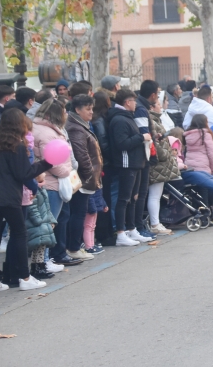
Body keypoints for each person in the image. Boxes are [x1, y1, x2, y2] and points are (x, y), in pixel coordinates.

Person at [0, 109, 53, 293]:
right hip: (9, 196)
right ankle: (25, 278)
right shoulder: (17, 145)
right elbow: (23, 174)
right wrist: (46, 163)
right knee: (19, 233)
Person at [32, 100, 81, 268]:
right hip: (51, 183)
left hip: (51, 181)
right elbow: (51, 161)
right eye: (63, 112)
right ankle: (44, 260)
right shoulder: (46, 133)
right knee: (48, 224)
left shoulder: (46, 129)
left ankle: (46, 259)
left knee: (50, 222)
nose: (66, 115)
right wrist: (66, 171)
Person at [107, 89, 153, 246]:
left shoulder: (127, 117)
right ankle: (121, 233)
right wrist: (141, 137)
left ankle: (132, 229)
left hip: (135, 162)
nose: (136, 104)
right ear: (127, 102)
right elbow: (121, 144)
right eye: (134, 101)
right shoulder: (120, 120)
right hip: (126, 164)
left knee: (133, 198)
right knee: (124, 198)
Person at [65, 95, 103, 260]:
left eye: (92, 108)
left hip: (84, 178)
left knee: (79, 212)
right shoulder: (75, 128)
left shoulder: (81, 125)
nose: (91, 112)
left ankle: (75, 246)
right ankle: (73, 247)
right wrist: (88, 175)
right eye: (88, 109)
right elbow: (81, 155)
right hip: (81, 179)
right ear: (77, 110)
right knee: (78, 213)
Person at [181, 114, 213, 222]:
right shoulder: (205, 134)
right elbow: (211, 153)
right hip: (203, 166)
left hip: (189, 166)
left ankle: (197, 214)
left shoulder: (187, 134)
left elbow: (185, 151)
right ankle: (205, 218)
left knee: (194, 192)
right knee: (204, 191)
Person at [146, 99, 178, 235]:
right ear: (152, 106)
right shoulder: (151, 121)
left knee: (156, 195)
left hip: (161, 163)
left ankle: (156, 222)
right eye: (158, 104)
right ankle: (155, 224)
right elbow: (155, 143)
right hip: (157, 163)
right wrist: (164, 154)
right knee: (154, 195)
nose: (160, 106)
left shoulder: (156, 120)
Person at [134, 80, 159, 240]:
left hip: (142, 156)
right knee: (140, 193)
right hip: (142, 156)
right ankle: (138, 226)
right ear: (153, 94)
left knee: (140, 193)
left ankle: (138, 226)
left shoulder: (141, 107)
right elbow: (145, 135)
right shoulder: (141, 109)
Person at [91, 91, 114, 245]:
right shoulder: (99, 121)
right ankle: (104, 233)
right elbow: (103, 143)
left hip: (103, 162)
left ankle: (105, 232)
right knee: (104, 198)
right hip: (104, 163)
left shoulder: (100, 119)